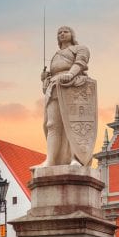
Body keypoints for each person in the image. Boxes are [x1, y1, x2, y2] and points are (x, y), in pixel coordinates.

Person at [37, 25, 96, 167]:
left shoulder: (81, 48)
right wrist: (45, 78)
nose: (62, 34)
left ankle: (76, 158)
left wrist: (70, 74)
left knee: (73, 124)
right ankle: (51, 160)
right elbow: (47, 84)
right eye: (59, 32)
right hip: (55, 87)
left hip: (73, 86)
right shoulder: (56, 55)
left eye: (66, 31)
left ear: (72, 34)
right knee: (51, 125)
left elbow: (80, 63)